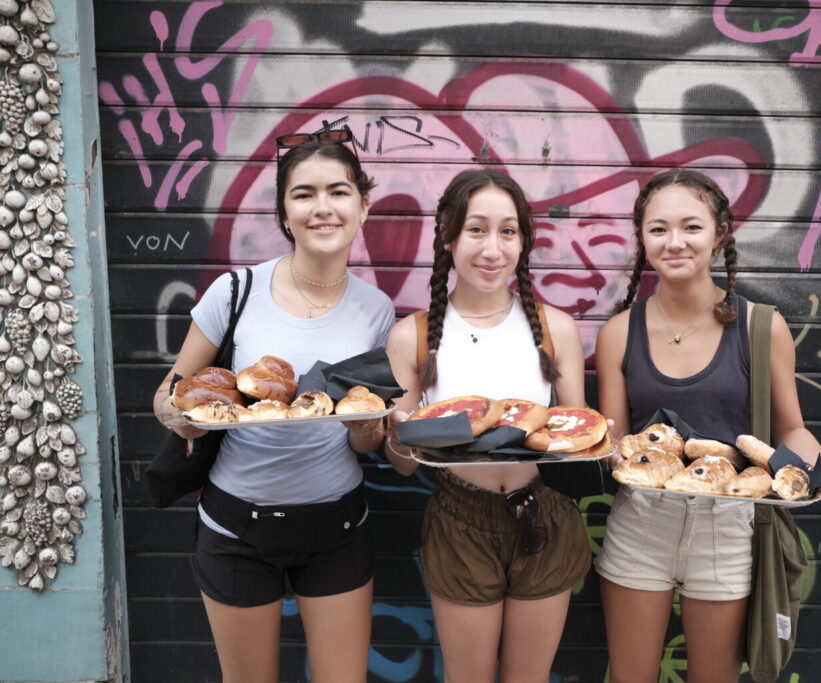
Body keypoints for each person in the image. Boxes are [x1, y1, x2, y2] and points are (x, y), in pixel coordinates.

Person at [152, 130, 393, 683]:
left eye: (338, 191)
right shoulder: (235, 291)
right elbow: (170, 392)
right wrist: (182, 417)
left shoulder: (377, 311)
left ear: (363, 205)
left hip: (338, 528)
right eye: (304, 194)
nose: (322, 208)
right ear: (284, 211)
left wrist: (366, 427)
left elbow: (366, 442)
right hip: (237, 529)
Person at [593, 169, 821, 683]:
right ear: (642, 237)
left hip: (728, 528)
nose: (675, 242)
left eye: (691, 227)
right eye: (658, 229)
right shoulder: (618, 333)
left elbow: (791, 428)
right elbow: (616, 439)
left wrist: (815, 467)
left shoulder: (762, 327)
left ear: (720, 233)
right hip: (643, 521)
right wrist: (609, 452)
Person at [384, 169, 592, 682]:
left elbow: (576, 437)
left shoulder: (556, 328)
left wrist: (599, 441)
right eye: (476, 230)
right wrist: (392, 429)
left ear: (523, 241)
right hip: (460, 518)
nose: (492, 249)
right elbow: (402, 465)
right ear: (448, 237)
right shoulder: (410, 336)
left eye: (508, 231)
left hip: (544, 511)